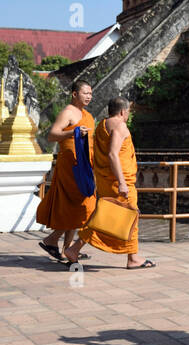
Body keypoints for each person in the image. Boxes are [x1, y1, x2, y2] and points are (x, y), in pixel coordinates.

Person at [63, 97, 153, 269]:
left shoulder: (102, 125)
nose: (128, 115)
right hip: (118, 181)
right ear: (122, 112)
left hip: (105, 180)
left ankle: (75, 250)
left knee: (106, 217)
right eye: (128, 112)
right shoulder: (120, 126)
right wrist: (122, 183)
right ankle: (132, 258)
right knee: (130, 216)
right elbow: (112, 154)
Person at [34, 79, 96, 261]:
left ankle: (66, 249)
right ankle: (54, 240)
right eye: (85, 93)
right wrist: (72, 132)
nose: (89, 97)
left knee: (78, 207)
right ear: (75, 94)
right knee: (80, 207)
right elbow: (52, 135)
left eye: (90, 93)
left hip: (83, 166)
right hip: (70, 167)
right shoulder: (68, 112)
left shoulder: (87, 115)